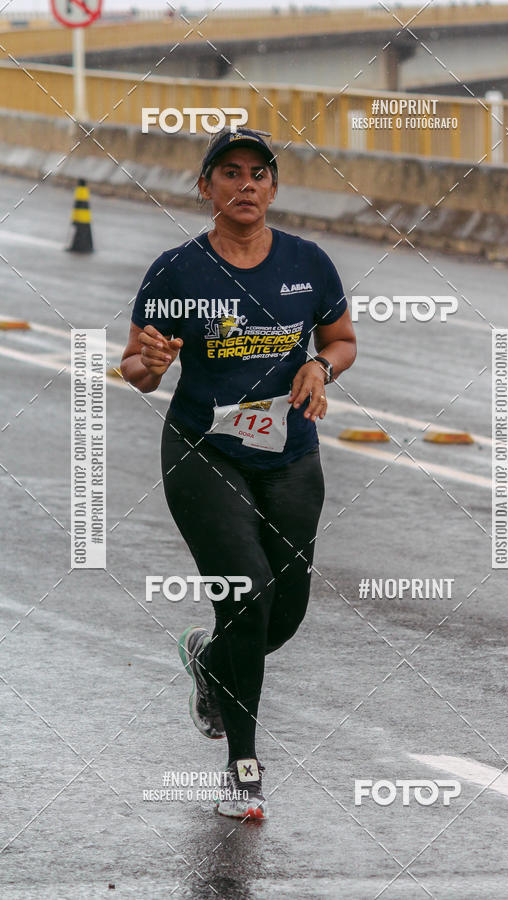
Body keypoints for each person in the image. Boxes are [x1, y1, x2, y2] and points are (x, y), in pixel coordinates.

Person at [121, 126, 357, 820]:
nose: (245, 184)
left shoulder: (309, 264)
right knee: (247, 596)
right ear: (206, 189)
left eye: (258, 173)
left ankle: (207, 658)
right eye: (229, 173)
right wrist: (152, 366)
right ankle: (241, 771)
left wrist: (321, 365)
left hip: (291, 457)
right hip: (204, 452)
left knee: (281, 617)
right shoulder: (178, 271)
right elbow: (134, 365)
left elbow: (341, 339)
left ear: (274, 189)